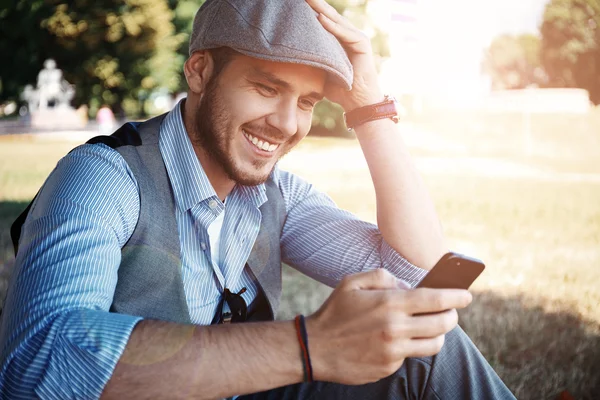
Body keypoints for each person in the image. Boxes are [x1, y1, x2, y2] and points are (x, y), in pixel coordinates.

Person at [0, 0, 515, 398]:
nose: (288, 124)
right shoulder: (103, 178)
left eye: (307, 101)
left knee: (425, 352)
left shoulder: (277, 194)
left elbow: (414, 276)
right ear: (199, 72)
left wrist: (369, 109)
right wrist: (309, 346)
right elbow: (38, 364)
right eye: (267, 88)